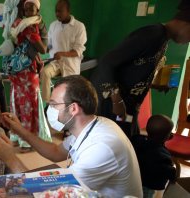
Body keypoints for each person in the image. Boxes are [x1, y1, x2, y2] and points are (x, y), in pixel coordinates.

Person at [0, 75, 143, 198]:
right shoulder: (91, 125)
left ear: (73, 108)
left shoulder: (101, 147)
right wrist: (20, 130)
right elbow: (55, 151)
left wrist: (10, 158)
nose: (50, 110)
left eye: (53, 105)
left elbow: (54, 193)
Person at [90, 0, 190, 138]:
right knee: (112, 143)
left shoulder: (163, 39)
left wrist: (154, 85)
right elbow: (107, 62)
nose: (188, 40)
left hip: (128, 107)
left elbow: (134, 70)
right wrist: (117, 101)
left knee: (130, 140)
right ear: (186, 24)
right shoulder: (153, 34)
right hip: (113, 105)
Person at [6, 0, 49, 149]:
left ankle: (23, 138)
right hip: (24, 72)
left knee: (24, 103)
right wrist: (36, 38)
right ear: (23, 11)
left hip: (23, 70)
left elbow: (41, 49)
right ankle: (24, 139)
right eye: (27, 8)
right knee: (26, 103)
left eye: (33, 7)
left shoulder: (20, 24)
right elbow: (43, 49)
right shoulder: (27, 26)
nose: (30, 10)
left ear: (38, 10)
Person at [40, 0, 87, 104]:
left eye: (60, 11)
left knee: (68, 91)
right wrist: (42, 49)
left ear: (68, 11)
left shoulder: (79, 27)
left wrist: (62, 54)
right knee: (45, 73)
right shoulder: (53, 25)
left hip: (71, 64)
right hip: (55, 63)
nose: (57, 14)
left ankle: (67, 108)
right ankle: (48, 103)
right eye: (56, 11)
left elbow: (78, 51)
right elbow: (49, 45)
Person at [132, 114, 176, 197]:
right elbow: (169, 172)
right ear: (168, 137)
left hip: (133, 181)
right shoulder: (163, 156)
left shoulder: (136, 140)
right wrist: (174, 174)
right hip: (148, 186)